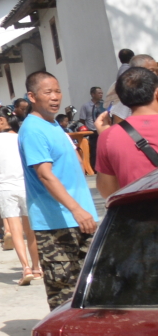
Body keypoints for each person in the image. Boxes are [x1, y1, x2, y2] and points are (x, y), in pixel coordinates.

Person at [19, 71, 98, 310]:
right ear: (32, 96)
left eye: (58, 91)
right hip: (56, 222)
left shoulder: (54, 125)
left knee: (91, 286)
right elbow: (44, 174)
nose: (55, 97)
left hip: (80, 216)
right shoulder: (33, 129)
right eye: (48, 92)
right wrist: (75, 209)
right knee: (64, 291)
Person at [0, 106, 39, 281]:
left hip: (5, 189)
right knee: (30, 230)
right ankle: (36, 268)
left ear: (1, 120)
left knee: (15, 230)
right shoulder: (21, 138)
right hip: (26, 187)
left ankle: (25, 268)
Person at [94, 64, 158, 197]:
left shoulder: (108, 137)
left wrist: (105, 135)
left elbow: (107, 191)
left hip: (139, 214)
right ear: (156, 93)